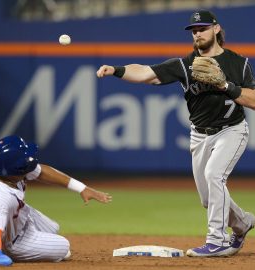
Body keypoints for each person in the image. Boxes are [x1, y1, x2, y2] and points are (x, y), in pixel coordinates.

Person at [96, 10, 255, 257]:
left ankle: (218, 240)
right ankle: (242, 223)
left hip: (231, 131)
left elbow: (253, 100)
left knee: (214, 176)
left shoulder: (239, 64)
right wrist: (116, 69)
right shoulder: (185, 64)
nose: (197, 34)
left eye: (202, 28)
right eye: (193, 30)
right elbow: (145, 72)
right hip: (199, 135)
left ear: (216, 29)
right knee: (208, 198)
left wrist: (225, 85)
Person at [0, 135, 112, 266]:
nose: (29, 161)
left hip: (17, 217)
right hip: (11, 240)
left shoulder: (1, 168)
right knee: (64, 247)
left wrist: (82, 188)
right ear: (14, 170)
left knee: (53, 228)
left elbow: (41, 172)